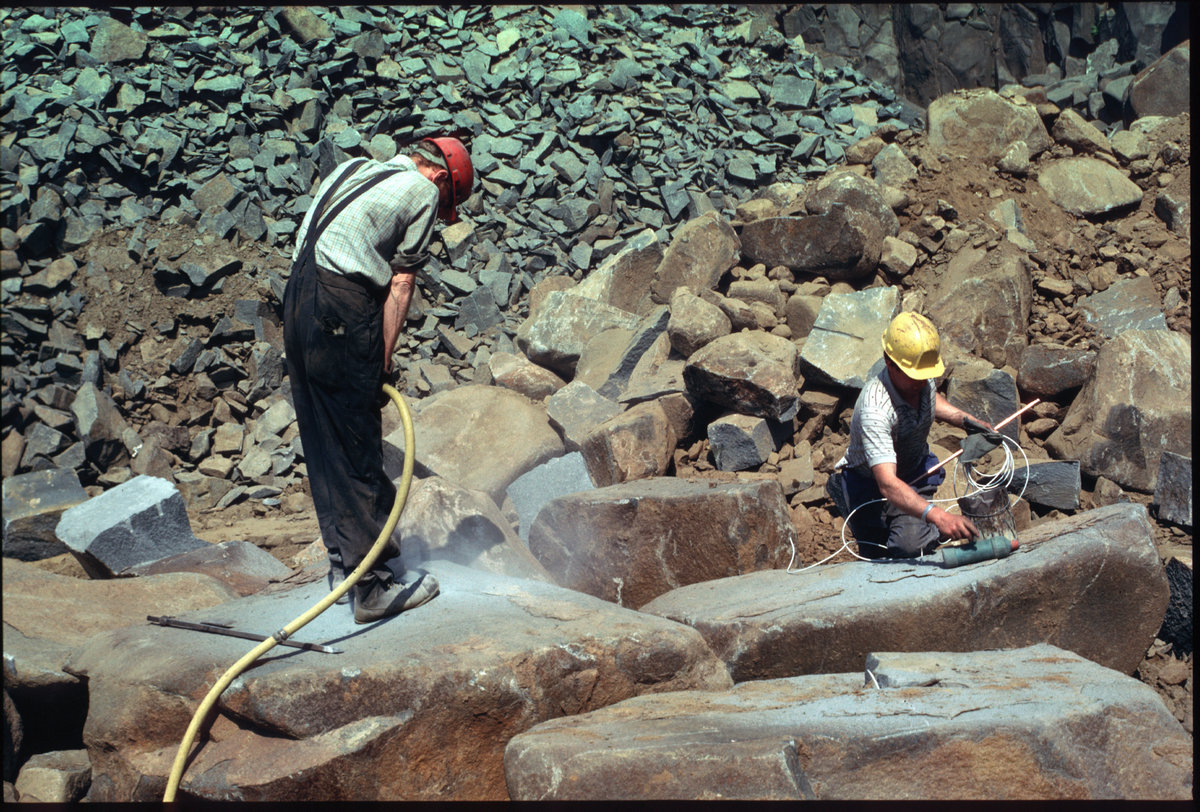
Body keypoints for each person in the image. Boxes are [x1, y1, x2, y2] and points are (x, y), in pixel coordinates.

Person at [282, 136, 474, 623]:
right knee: (355, 440)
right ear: (441, 178)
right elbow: (402, 281)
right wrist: (383, 358)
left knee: (323, 443)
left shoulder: (351, 170)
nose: (440, 206)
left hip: (298, 299)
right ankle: (372, 586)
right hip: (342, 303)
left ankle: (343, 564)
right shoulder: (425, 190)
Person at [827, 311, 994, 559]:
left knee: (908, 540)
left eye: (926, 375)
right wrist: (939, 516)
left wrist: (963, 420)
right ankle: (852, 497)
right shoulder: (876, 409)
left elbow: (929, 396)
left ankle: (904, 517)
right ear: (889, 361)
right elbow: (887, 483)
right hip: (876, 483)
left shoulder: (918, 376)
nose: (922, 381)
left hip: (914, 472)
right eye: (914, 376)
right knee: (904, 548)